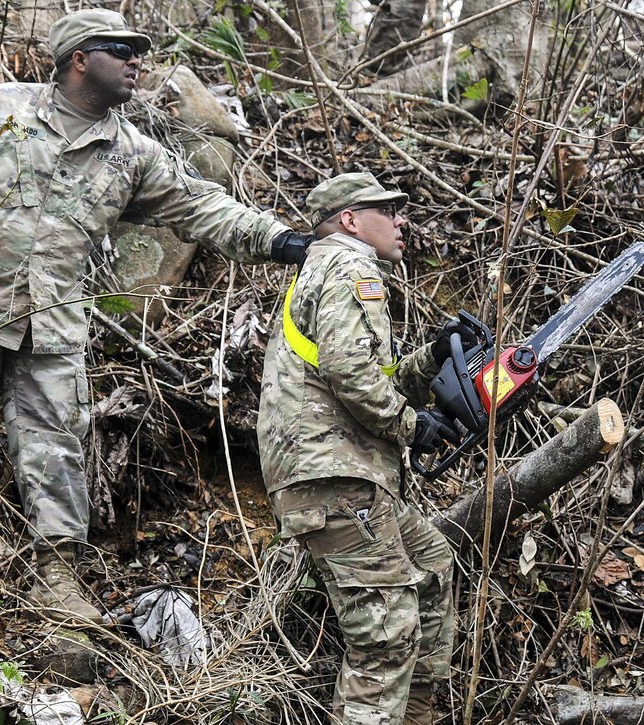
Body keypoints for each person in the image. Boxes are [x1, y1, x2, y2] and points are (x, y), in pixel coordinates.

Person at [0, 8, 312, 627]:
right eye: (122, 50)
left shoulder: (133, 154)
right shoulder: (2, 109)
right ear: (79, 57)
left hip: (52, 327)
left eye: (139, 51)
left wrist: (280, 239)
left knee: (55, 449)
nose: (136, 62)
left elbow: (202, 208)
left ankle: (58, 577)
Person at [256, 172, 461, 725]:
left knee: (432, 562)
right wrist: (411, 426)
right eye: (387, 211)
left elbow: (361, 372)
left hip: (337, 473)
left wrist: (432, 358)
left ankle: (415, 714)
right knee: (385, 637)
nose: (401, 221)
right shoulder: (350, 266)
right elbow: (351, 374)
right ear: (350, 220)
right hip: (334, 474)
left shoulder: (323, 269)